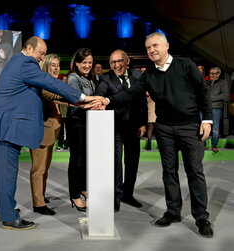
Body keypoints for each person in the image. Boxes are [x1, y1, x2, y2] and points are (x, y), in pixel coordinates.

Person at [88, 32, 213, 238]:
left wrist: (207, 119)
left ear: (166, 45)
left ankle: (201, 217)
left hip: (190, 127)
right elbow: (129, 93)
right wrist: (107, 101)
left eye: (155, 45)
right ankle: (173, 212)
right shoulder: (148, 76)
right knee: (168, 172)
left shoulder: (186, 65)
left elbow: (202, 91)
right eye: (148, 48)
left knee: (195, 172)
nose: (152, 50)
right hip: (164, 129)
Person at [0, 36, 96, 230]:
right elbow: (48, 82)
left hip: (4, 125)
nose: (41, 58)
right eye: (40, 53)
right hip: (8, 127)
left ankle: (1, 210)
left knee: (2, 174)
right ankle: (9, 218)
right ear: (28, 48)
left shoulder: (16, 62)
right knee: (8, 174)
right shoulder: (25, 62)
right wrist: (82, 97)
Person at [95, 49, 147, 212]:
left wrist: (143, 123)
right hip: (114, 126)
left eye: (119, 61)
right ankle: (116, 197)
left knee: (133, 161)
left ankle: (128, 194)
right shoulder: (105, 78)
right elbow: (100, 96)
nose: (116, 65)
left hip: (133, 126)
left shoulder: (138, 76)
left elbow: (142, 102)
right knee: (116, 162)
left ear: (127, 61)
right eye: (112, 62)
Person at [29, 54, 64, 215]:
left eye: (58, 65)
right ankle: (38, 204)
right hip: (40, 132)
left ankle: (41, 196)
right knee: (38, 170)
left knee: (45, 169)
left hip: (50, 132)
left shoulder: (52, 83)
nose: (56, 68)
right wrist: (84, 101)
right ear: (46, 67)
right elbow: (59, 97)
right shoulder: (43, 84)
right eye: (52, 65)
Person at [66, 47, 95, 212]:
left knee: (85, 159)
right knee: (76, 160)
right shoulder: (73, 78)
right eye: (84, 62)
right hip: (76, 123)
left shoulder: (89, 78)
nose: (87, 65)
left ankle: (82, 187)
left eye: (90, 62)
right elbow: (75, 102)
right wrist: (94, 103)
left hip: (88, 122)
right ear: (77, 63)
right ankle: (74, 195)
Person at [207, 67, 228, 153]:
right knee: (203, 127)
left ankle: (214, 145)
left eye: (213, 73)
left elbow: (224, 95)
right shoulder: (206, 82)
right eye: (210, 73)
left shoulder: (223, 82)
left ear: (218, 74)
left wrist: (211, 98)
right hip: (205, 108)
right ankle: (203, 145)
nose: (211, 75)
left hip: (216, 108)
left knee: (215, 128)